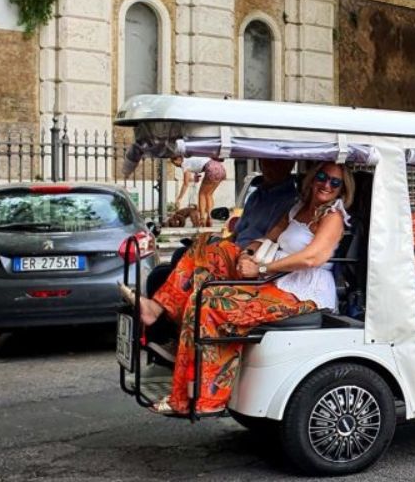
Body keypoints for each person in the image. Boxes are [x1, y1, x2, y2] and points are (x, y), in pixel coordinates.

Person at [122, 161, 354, 414]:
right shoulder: (299, 207)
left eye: (335, 182)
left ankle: (202, 399)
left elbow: (313, 258)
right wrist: (248, 253)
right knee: (208, 249)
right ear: (311, 178)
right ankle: (156, 309)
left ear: (342, 189)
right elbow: (268, 237)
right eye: (321, 176)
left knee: (210, 302)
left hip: (302, 292)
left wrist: (262, 269)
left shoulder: (333, 215)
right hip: (275, 278)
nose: (326, 184)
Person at [171, 156, 226, 227]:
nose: (175, 165)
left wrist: (179, 198)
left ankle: (202, 219)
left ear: (177, 160)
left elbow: (185, 183)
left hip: (211, 169)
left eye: (173, 163)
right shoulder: (190, 158)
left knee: (202, 194)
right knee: (209, 194)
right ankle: (209, 217)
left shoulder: (184, 164)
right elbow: (198, 166)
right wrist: (196, 176)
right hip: (220, 168)